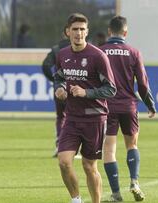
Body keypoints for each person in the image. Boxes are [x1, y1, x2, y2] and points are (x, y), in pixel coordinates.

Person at [54, 13, 116, 203]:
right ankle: (76, 200)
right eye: (75, 29)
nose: (78, 33)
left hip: (94, 119)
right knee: (64, 162)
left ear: (87, 32)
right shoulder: (62, 55)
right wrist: (60, 88)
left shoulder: (98, 56)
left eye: (82, 29)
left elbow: (111, 89)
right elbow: (59, 77)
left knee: (89, 166)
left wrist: (86, 93)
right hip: (72, 118)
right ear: (67, 32)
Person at [99, 16, 156, 202]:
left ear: (109, 32)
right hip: (129, 106)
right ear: (125, 32)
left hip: (107, 107)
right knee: (132, 145)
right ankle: (134, 182)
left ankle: (116, 194)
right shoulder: (134, 52)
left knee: (109, 150)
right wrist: (150, 105)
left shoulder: (100, 52)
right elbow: (143, 84)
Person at [42, 27, 70, 157]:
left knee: (61, 117)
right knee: (78, 117)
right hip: (77, 89)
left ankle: (60, 146)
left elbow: (46, 65)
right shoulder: (82, 48)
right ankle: (71, 147)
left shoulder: (56, 49)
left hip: (59, 88)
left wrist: (54, 80)